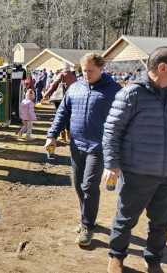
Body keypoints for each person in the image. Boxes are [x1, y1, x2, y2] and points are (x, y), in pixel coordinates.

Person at [104, 47, 167, 273]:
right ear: (162, 68)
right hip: (137, 172)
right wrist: (112, 164)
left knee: (161, 222)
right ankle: (116, 256)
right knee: (125, 219)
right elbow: (111, 131)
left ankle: (153, 259)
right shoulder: (131, 94)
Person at [45, 53, 121, 246]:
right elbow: (62, 112)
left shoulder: (114, 91)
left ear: (101, 68)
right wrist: (51, 135)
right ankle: (86, 217)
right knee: (78, 184)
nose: (86, 74)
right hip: (76, 145)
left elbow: (123, 120)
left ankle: (87, 226)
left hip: (99, 147)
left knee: (89, 186)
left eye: (91, 71)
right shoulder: (75, 88)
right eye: (84, 70)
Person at [44, 63, 77, 142]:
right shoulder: (73, 76)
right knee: (69, 116)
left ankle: (62, 135)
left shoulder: (61, 74)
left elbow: (54, 85)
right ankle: (69, 135)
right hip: (71, 98)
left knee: (60, 116)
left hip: (60, 98)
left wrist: (46, 94)